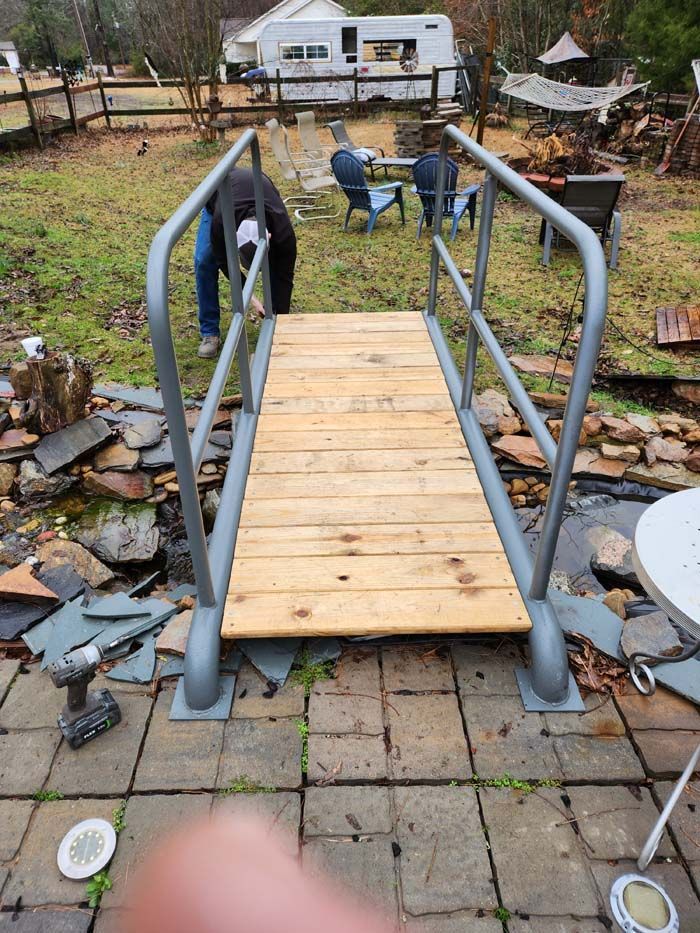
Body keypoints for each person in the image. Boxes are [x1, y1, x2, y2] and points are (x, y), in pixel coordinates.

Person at [194, 167, 297, 359]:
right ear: (232, 240)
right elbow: (224, 263)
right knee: (204, 262)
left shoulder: (283, 231)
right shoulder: (220, 222)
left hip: (260, 191)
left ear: (271, 237)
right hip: (219, 193)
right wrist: (253, 300)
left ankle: (273, 324)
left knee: (278, 269)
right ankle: (209, 332)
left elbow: (284, 276)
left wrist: (277, 319)